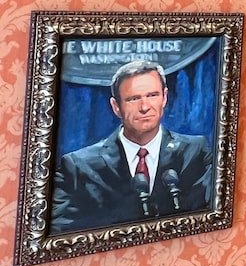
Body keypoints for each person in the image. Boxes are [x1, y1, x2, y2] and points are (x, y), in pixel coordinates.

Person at [50, 60, 212, 235]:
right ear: (116, 107)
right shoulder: (78, 167)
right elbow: (62, 232)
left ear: (164, 98)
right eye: (133, 99)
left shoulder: (195, 152)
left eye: (152, 95)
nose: (144, 107)